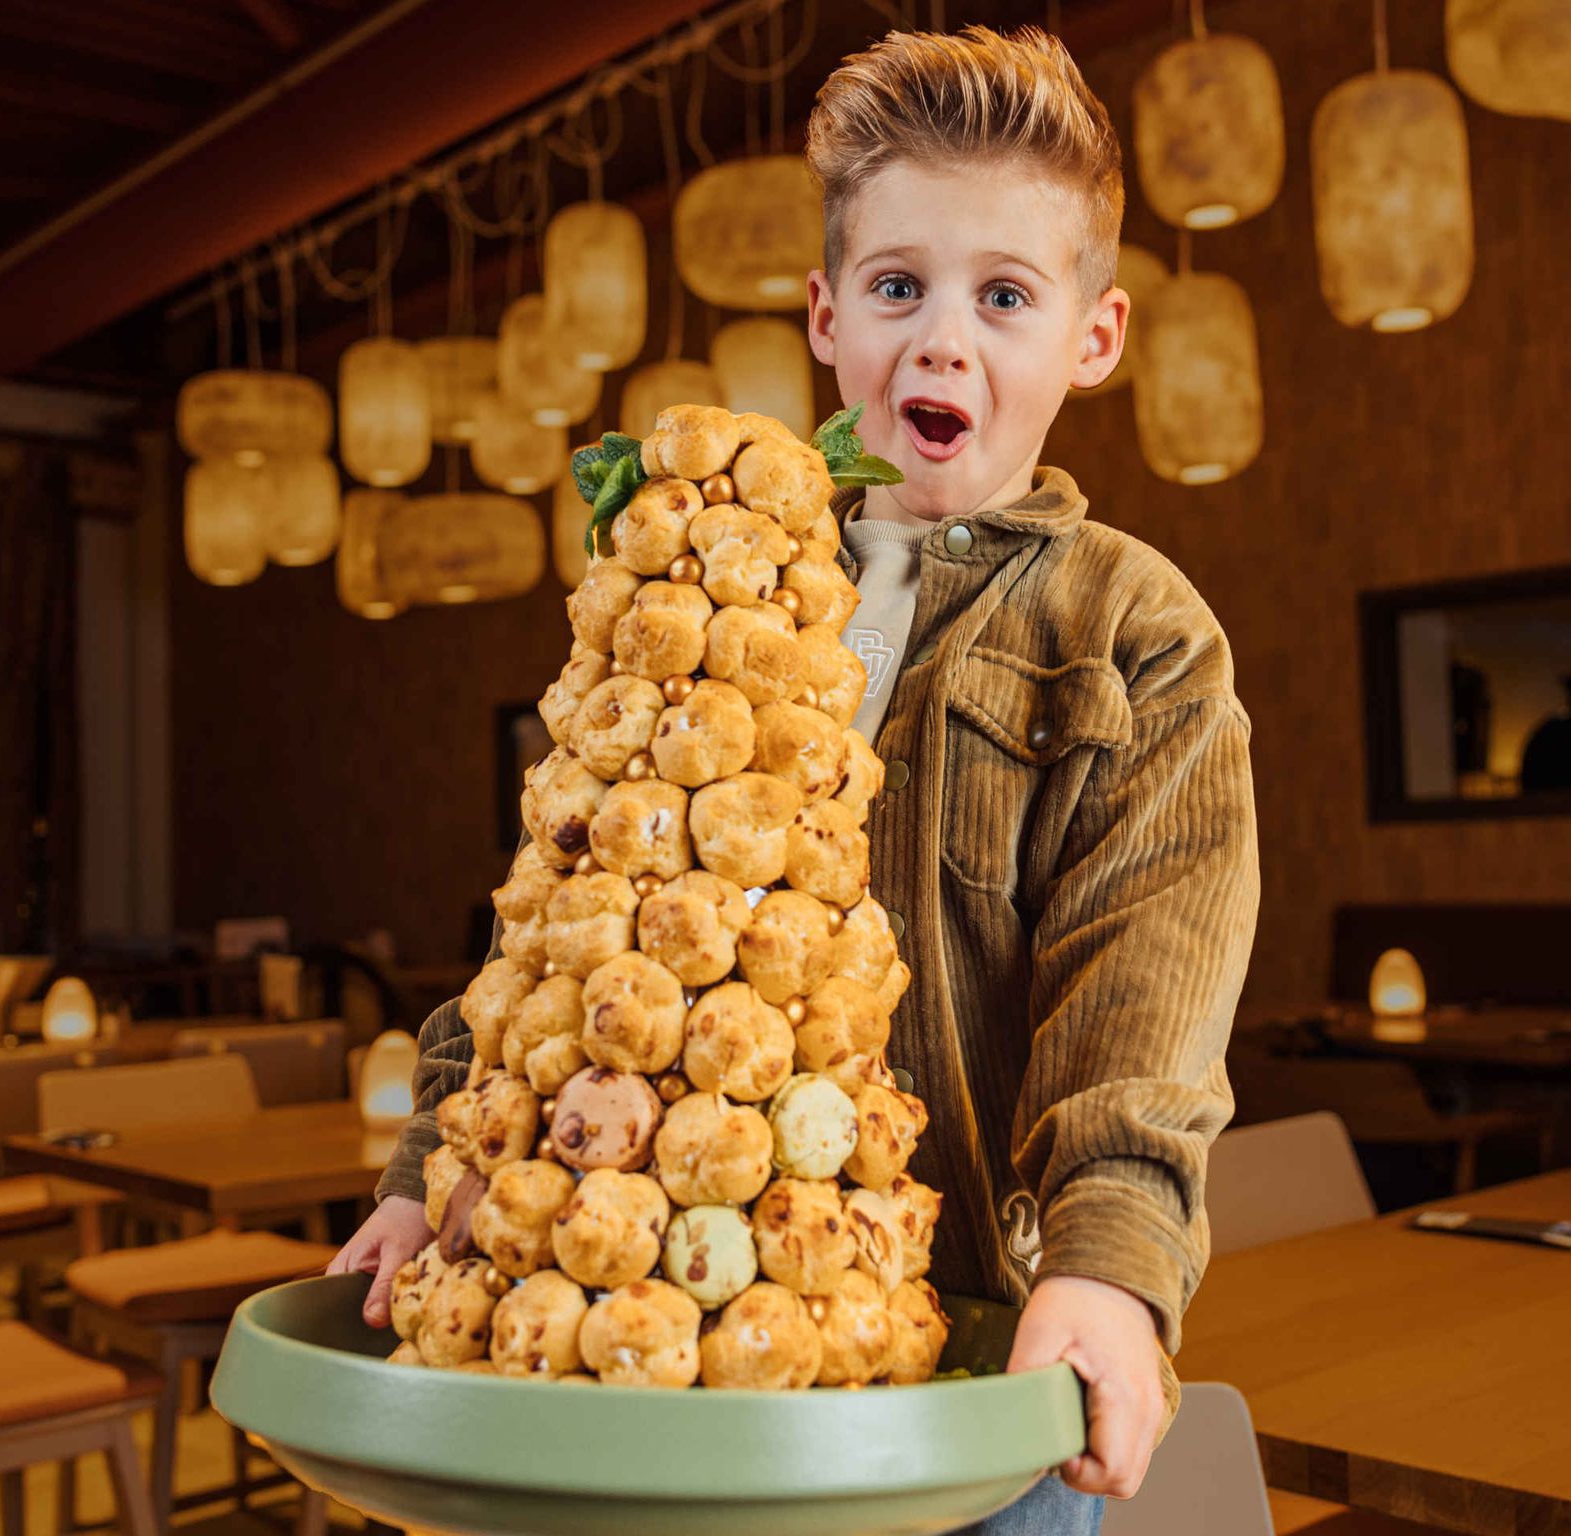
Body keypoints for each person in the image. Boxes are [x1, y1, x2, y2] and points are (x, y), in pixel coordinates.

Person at [331, 24, 1258, 1533]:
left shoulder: (1129, 632)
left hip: (957, 1370)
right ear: (826, 319)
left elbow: (1151, 985)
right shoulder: (699, 585)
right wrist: (427, 1165)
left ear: (1094, 337)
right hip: (626, 1332)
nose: (942, 339)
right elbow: (554, 931)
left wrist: (1110, 1268)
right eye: (898, 287)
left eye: (1004, 295)